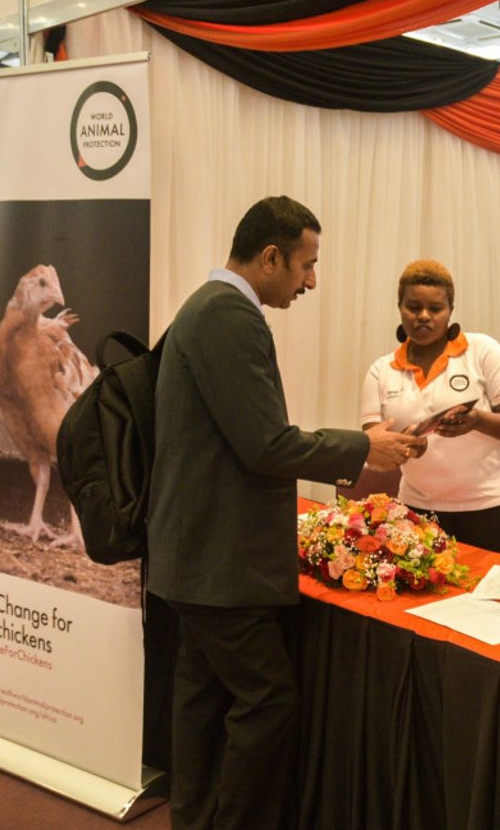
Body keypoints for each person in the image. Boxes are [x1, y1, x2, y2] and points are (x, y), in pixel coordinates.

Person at [147, 196, 417, 830]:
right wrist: (364, 447)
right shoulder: (229, 315)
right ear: (270, 256)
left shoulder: (206, 308)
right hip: (220, 562)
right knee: (268, 702)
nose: (311, 282)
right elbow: (265, 445)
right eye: (306, 265)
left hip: (197, 556)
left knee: (203, 699)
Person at [360, 259, 500, 555]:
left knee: (484, 599)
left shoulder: (482, 351)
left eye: (435, 309)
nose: (423, 316)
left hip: (492, 506)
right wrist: (405, 448)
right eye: (413, 307)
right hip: (419, 508)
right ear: (399, 307)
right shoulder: (381, 370)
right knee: (424, 598)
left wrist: (477, 420)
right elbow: (373, 453)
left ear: (450, 310)